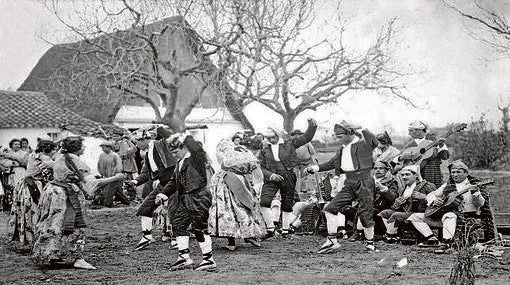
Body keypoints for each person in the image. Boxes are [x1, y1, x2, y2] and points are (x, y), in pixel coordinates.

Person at [32, 136, 124, 270]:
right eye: (82, 146)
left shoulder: (60, 156)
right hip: (66, 195)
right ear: (77, 148)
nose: (85, 148)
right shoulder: (75, 161)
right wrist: (116, 178)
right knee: (74, 224)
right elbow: (91, 183)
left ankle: (51, 254)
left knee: (53, 223)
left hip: (53, 192)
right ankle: (76, 257)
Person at [306, 121, 379, 253]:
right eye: (337, 136)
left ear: (350, 133)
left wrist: (362, 127)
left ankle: (370, 243)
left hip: (364, 181)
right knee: (329, 209)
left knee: (365, 213)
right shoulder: (342, 148)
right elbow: (332, 163)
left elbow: (374, 142)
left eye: (340, 136)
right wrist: (315, 168)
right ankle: (332, 240)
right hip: (349, 181)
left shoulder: (363, 144)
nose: (338, 139)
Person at [156, 131, 216, 272]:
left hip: (199, 197)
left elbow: (196, 148)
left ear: (184, 147)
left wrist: (184, 133)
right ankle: (184, 258)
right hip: (185, 198)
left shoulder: (196, 158)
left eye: (176, 151)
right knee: (178, 224)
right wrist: (164, 194)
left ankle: (209, 260)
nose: (174, 155)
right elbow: (173, 181)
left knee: (199, 228)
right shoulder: (180, 162)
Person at [407, 160, 488, 252]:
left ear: (466, 173)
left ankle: (446, 243)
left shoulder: (473, 184)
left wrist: (475, 193)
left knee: (449, 215)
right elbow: (432, 194)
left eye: (458, 172)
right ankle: (432, 239)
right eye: (453, 172)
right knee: (414, 217)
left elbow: (481, 204)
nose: (455, 175)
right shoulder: (448, 184)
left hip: (465, 217)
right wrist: (434, 200)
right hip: (444, 217)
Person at [258, 118, 317, 239]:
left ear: (277, 135)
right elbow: (261, 166)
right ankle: (270, 228)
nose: (270, 140)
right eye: (267, 138)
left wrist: (312, 125)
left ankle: (285, 230)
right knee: (264, 201)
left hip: (288, 174)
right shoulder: (264, 148)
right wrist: (270, 175)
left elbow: (306, 137)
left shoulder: (289, 143)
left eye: (272, 137)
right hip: (272, 177)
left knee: (287, 202)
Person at [208, 140, 265, 251]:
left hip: (231, 183)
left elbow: (257, 174)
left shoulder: (232, 156)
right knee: (235, 210)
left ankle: (243, 237)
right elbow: (257, 174)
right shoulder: (246, 156)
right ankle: (243, 237)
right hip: (230, 184)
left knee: (233, 210)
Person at [129, 126, 177, 250]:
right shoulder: (146, 155)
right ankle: (147, 236)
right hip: (162, 184)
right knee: (145, 208)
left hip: (176, 182)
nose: (136, 145)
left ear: (144, 140)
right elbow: (145, 174)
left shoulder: (160, 145)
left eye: (136, 142)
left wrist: (157, 127)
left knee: (173, 211)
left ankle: (176, 238)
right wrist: (134, 181)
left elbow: (169, 136)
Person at [9, 140, 57, 245]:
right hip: (34, 186)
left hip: (26, 183)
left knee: (27, 212)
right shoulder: (43, 158)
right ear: (46, 149)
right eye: (54, 150)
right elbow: (54, 166)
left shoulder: (33, 154)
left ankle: (27, 237)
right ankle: (34, 238)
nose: (55, 153)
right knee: (36, 211)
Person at [378, 165, 436, 243]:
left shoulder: (426, 186)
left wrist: (424, 197)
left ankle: (389, 236)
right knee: (385, 213)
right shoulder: (405, 188)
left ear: (415, 175)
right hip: (406, 213)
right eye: (402, 175)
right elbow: (399, 207)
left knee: (396, 215)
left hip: (421, 214)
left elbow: (436, 202)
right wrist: (396, 204)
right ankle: (394, 235)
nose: (404, 177)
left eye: (407, 174)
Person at [349, 160, 399, 241]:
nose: (378, 170)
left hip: (383, 206)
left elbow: (393, 197)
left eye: (381, 168)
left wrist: (382, 188)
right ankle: (357, 232)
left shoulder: (391, 181)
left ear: (386, 170)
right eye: (375, 168)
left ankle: (359, 232)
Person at [395, 121, 449, 188]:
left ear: (418, 130)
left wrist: (441, 145)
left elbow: (445, 156)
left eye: (410, 131)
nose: (409, 133)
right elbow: (396, 158)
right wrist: (402, 157)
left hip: (432, 173)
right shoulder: (411, 144)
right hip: (414, 176)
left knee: (432, 193)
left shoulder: (435, 141)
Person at [97, 140, 129, 207]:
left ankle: (108, 204)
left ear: (109, 147)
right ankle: (126, 201)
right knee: (118, 191)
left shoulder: (115, 156)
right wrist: (101, 173)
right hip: (106, 176)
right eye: (102, 147)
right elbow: (99, 165)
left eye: (104, 147)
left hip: (114, 177)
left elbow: (119, 166)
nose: (102, 148)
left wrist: (115, 175)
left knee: (110, 191)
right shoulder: (101, 155)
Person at [118, 135, 138, 201]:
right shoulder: (122, 147)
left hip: (128, 168)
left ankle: (131, 196)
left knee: (129, 182)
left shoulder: (128, 149)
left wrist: (128, 141)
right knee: (124, 182)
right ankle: (127, 196)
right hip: (124, 168)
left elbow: (134, 148)